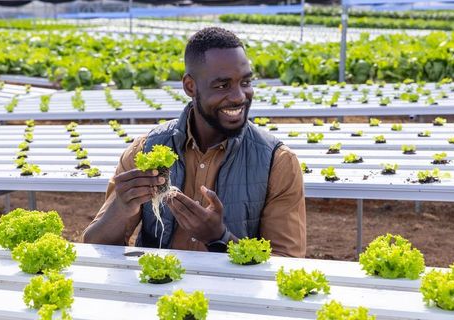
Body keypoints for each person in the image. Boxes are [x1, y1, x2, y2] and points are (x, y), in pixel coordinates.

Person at [82, 27, 306, 257]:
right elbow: (94, 246)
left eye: (246, 82)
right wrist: (120, 207)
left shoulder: (277, 162)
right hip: (155, 291)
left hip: (231, 292)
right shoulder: (145, 150)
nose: (239, 96)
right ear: (190, 86)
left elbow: (287, 262)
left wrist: (220, 238)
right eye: (222, 85)